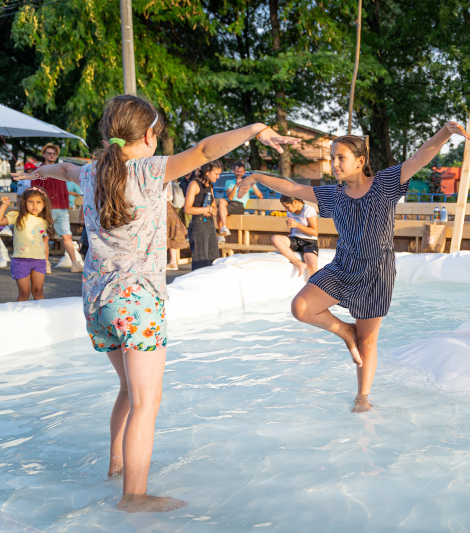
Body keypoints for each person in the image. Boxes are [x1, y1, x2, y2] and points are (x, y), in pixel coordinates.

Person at [11, 94, 298, 512]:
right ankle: (133, 496)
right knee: (147, 400)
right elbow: (204, 150)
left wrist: (36, 171)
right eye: (157, 135)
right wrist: (255, 129)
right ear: (147, 135)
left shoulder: (91, 172)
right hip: (137, 303)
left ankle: (116, 466)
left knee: (128, 389)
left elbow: (65, 167)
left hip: (97, 302)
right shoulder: (148, 171)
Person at [237, 124, 469, 412]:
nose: (334, 164)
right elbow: (293, 188)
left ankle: (363, 398)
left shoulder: (385, 184)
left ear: (360, 161)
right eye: (332, 157)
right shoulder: (333, 195)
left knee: (368, 341)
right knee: (301, 307)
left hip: (376, 272)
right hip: (343, 266)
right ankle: (346, 333)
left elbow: (420, 158)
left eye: (340, 157)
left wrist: (446, 132)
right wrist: (257, 176)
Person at [31, 143, 83, 273]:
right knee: (45, 237)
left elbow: (65, 188)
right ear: (44, 154)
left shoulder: (60, 169)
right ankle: (46, 264)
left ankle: (75, 263)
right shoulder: (39, 170)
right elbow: (34, 190)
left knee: (67, 236)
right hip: (46, 208)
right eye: (49, 153)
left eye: (54, 153)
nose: (52, 155)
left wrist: (66, 202)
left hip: (61, 207)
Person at [0, 189, 54, 301]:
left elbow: (44, 242)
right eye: (30, 201)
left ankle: (40, 316)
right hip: (21, 260)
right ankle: (19, 317)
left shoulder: (44, 222)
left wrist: (46, 260)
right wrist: (4, 205)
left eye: (38, 202)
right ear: (24, 203)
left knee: (38, 292)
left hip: (39, 261)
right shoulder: (17, 216)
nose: (34, 205)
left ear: (44, 205)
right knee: (24, 293)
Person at [184, 161, 224, 270]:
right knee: (201, 260)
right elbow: (187, 209)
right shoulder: (194, 184)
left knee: (214, 259)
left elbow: (214, 206)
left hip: (209, 224)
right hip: (198, 224)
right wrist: (207, 209)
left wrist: (213, 210)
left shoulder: (209, 185)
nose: (218, 177)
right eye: (216, 174)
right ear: (207, 172)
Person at [272, 195, 319, 277]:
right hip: (295, 239)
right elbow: (292, 231)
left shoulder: (308, 210)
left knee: (312, 265)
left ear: (295, 202)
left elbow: (314, 232)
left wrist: (297, 225)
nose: (286, 209)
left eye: (287, 207)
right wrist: (290, 232)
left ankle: (314, 288)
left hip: (309, 242)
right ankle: (298, 263)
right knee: (275, 238)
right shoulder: (290, 212)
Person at [219, 161, 263, 243]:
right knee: (221, 201)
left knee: (219, 211)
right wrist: (236, 185)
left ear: (244, 172)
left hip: (240, 206)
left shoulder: (248, 182)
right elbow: (230, 197)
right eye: (237, 171)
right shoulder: (229, 182)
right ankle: (224, 229)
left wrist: (252, 184)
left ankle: (221, 235)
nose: (239, 173)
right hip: (231, 204)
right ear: (234, 171)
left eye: (241, 172)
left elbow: (260, 196)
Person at [165, 181, 188, 270]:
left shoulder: (164, 177)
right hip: (170, 207)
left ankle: (172, 262)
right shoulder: (170, 178)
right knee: (172, 233)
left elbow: (168, 193)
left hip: (165, 206)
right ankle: (173, 262)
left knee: (167, 233)